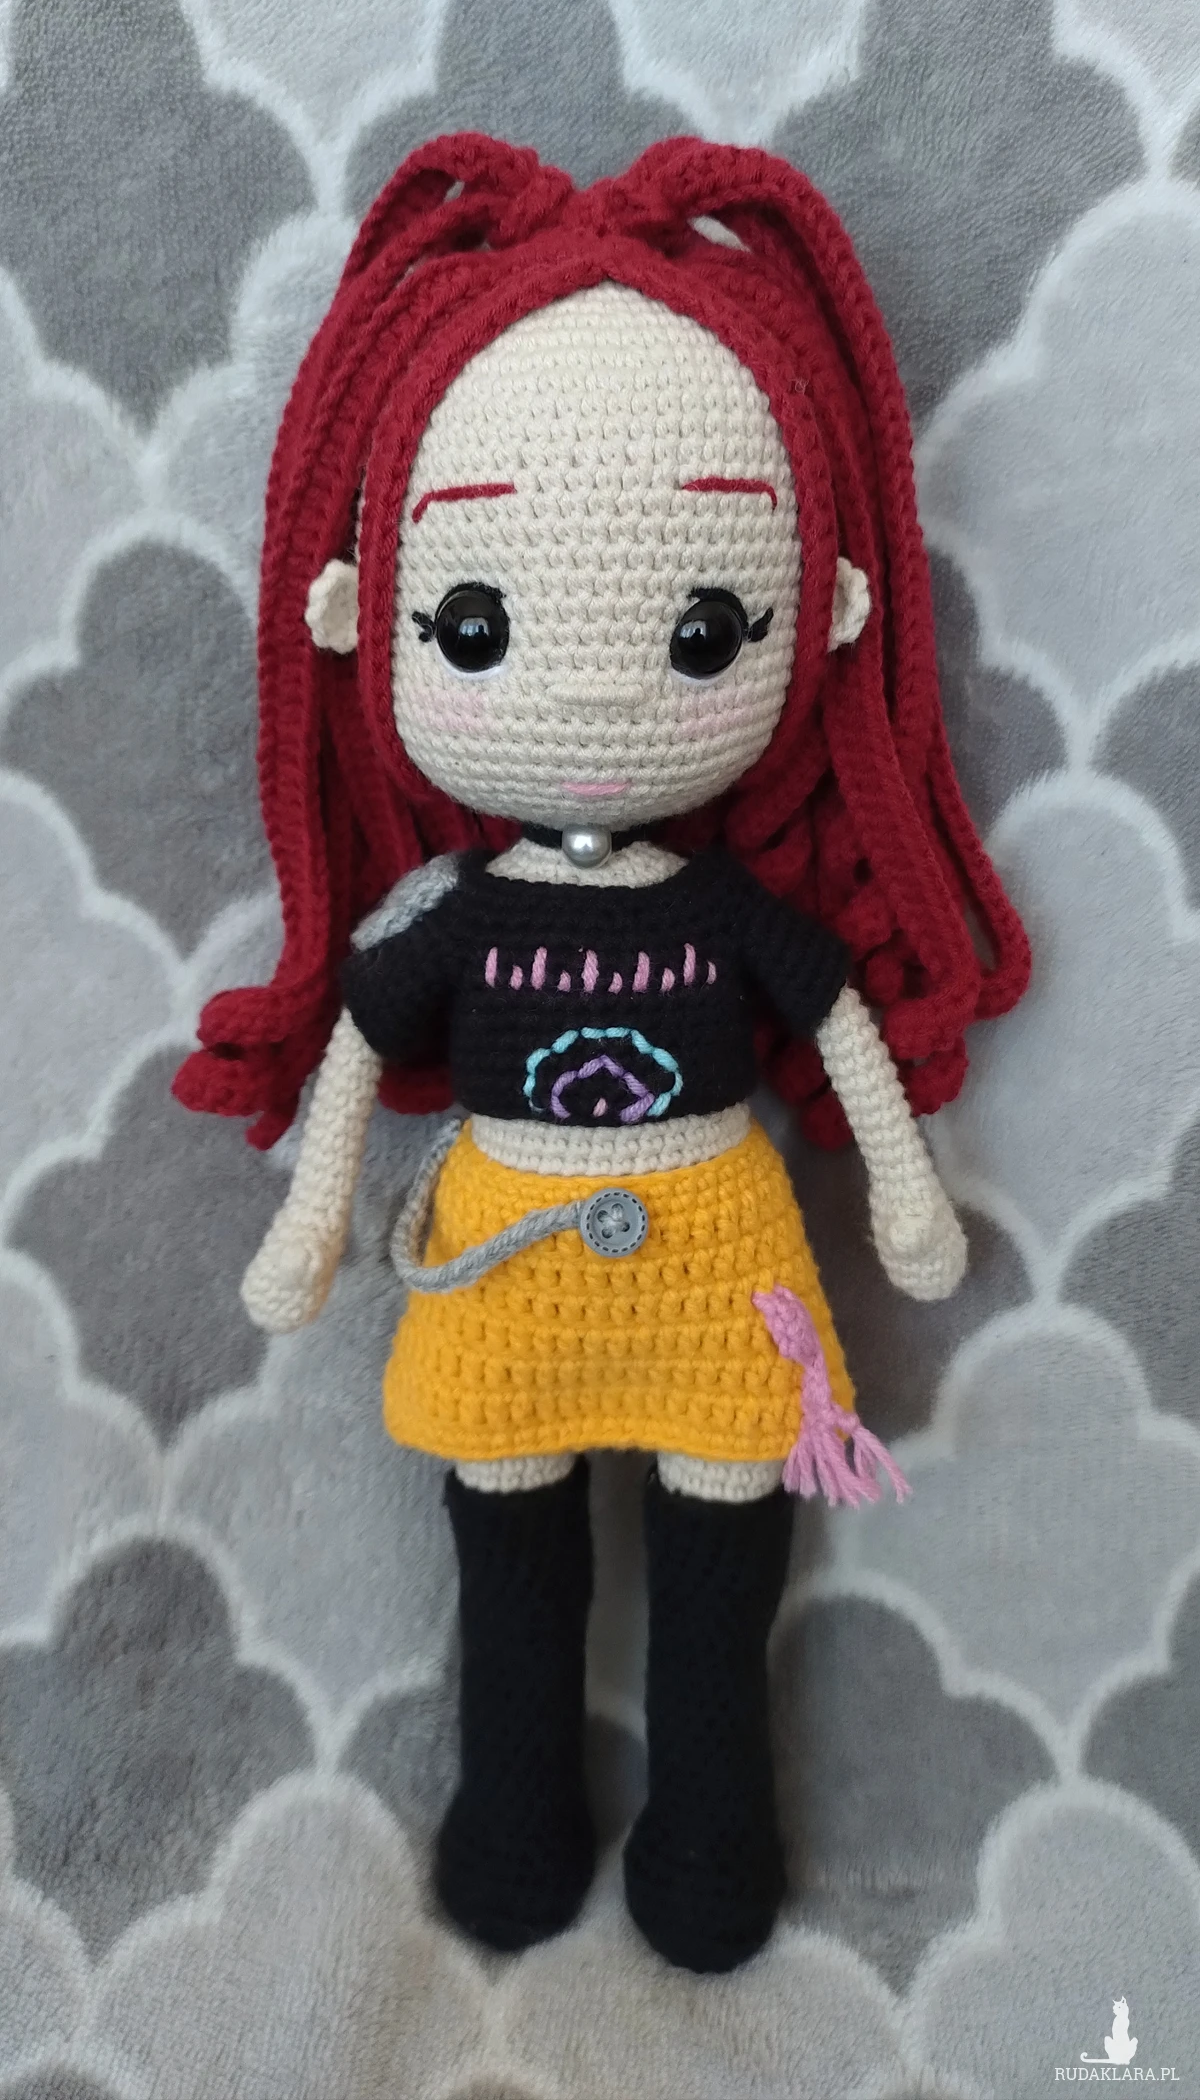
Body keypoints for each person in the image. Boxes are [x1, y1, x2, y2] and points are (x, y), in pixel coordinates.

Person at [175, 134, 1030, 1975]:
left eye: (702, 628)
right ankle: (516, 1816)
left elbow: (842, 1022)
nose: (586, 691)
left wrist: (904, 1193)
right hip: (503, 1278)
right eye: (478, 627)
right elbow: (355, 1049)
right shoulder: (453, 922)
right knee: (511, 1567)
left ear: (824, 612)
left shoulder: (726, 913)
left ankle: (714, 1838)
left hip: (720, 1276)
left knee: (725, 1581)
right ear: (362, 618)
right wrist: (312, 1220)